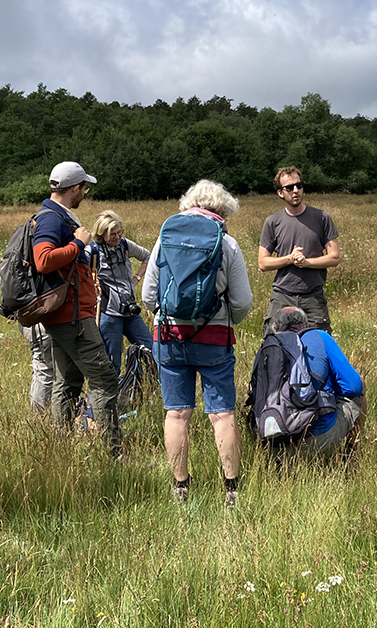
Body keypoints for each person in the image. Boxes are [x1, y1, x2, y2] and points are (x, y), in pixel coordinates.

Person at [141, 179, 253, 508]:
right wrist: (223, 318)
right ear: (220, 209)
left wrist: (170, 315)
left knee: (176, 414)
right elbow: (243, 301)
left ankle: (181, 487)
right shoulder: (227, 244)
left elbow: (149, 296)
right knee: (221, 414)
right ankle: (231, 489)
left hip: (170, 338)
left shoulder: (165, 240)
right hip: (215, 337)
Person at [33, 161, 120, 453]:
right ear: (74, 188)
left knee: (68, 381)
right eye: (83, 187)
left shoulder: (57, 216)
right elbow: (43, 260)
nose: (85, 193)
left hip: (67, 315)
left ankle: (62, 450)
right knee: (105, 379)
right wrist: (78, 244)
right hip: (72, 317)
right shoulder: (52, 219)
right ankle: (114, 453)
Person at [268, 306, 367, 459]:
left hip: (271, 443)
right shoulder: (319, 336)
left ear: (275, 328)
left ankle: (278, 462)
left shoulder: (268, 346)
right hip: (316, 441)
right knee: (360, 384)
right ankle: (350, 456)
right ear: (306, 325)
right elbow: (353, 387)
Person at [258, 166, 340, 336]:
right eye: (289, 188)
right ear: (280, 193)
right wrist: (290, 259)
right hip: (282, 295)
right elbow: (263, 263)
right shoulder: (272, 222)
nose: (295, 191)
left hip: (313, 296)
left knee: (319, 348)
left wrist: (306, 262)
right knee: (274, 346)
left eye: (299, 185)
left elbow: (334, 257)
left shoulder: (321, 218)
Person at [89, 209, 154, 371]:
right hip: (109, 314)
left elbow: (147, 256)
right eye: (113, 234)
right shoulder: (92, 251)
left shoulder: (124, 245)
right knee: (112, 363)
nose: (117, 237)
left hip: (131, 312)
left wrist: (137, 278)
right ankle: (114, 394)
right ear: (101, 233)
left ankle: (143, 384)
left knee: (152, 351)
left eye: (120, 232)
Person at [19, 323, 53, 414]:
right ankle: (41, 417)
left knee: (43, 369)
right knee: (45, 370)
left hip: (32, 321)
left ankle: (42, 417)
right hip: (43, 322)